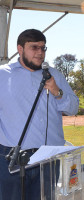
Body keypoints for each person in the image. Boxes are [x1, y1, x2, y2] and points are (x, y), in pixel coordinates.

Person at [0, 29, 79, 200]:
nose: (40, 53)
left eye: (43, 48)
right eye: (34, 47)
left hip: (48, 158)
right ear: (20, 49)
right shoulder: (2, 75)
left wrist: (57, 92)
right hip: (12, 157)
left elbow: (73, 108)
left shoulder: (54, 75)